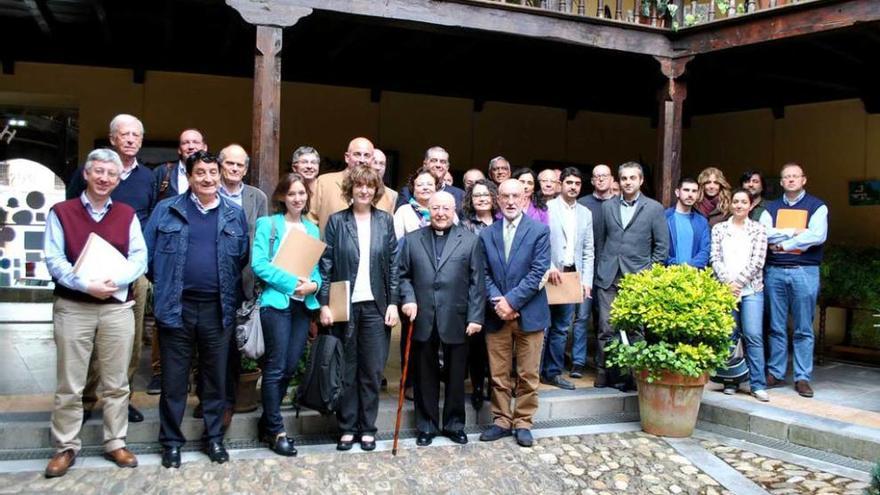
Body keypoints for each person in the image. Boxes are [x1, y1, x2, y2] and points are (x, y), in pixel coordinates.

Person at [43, 148, 146, 478]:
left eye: (111, 174)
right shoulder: (62, 212)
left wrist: (116, 281)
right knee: (70, 384)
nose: (104, 178)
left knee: (117, 383)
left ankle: (115, 441)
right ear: (86, 174)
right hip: (74, 307)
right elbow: (55, 260)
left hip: (117, 308)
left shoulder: (128, 214)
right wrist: (86, 285)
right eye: (98, 172)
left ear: (118, 180)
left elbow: (139, 258)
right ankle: (65, 446)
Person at [144, 150, 249, 468]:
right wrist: (168, 287)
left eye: (212, 173)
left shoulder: (234, 214)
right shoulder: (167, 210)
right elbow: (149, 259)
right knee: (174, 380)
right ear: (189, 177)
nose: (208, 178)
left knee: (215, 379)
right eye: (200, 173)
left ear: (219, 176)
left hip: (218, 309)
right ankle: (172, 442)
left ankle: (214, 438)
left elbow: (240, 256)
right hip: (177, 307)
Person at [68, 114, 153, 424]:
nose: (130, 139)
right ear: (112, 138)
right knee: (88, 337)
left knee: (129, 339)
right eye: (124, 134)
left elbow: (152, 219)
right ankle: (87, 399)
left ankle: (122, 398)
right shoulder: (89, 173)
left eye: (135, 135)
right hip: (91, 269)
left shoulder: (149, 177)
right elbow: (73, 216)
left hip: (132, 271)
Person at [319, 165, 400, 452]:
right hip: (345, 306)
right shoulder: (337, 222)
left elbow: (393, 265)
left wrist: (393, 302)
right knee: (347, 370)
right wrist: (325, 303)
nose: (364, 190)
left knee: (371, 370)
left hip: (376, 307)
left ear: (376, 189)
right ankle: (347, 427)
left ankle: (368, 428)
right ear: (350, 189)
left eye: (369, 186)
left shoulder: (385, 222)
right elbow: (325, 265)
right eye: (359, 186)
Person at [399, 191, 485, 447]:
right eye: (435, 208)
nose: (440, 213)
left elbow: (476, 283)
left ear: (454, 210)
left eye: (446, 208)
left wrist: (476, 316)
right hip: (423, 315)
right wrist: (408, 298)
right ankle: (426, 426)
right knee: (424, 375)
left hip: (457, 318)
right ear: (428, 209)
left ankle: (454, 424)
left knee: (457, 375)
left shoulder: (469, 241)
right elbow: (402, 276)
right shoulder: (413, 240)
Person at [251, 173, 322, 456]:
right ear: (282, 196)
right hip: (276, 304)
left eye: (301, 193)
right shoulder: (268, 225)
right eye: (291, 193)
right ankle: (278, 430)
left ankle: (268, 422)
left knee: (291, 366)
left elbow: (315, 268)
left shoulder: (312, 229)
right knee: (276, 367)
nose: (297, 198)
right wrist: (292, 283)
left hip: (302, 306)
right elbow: (259, 264)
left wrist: (314, 285)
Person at [478, 179, 550, 448]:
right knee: (498, 374)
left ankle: (523, 422)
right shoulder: (487, 234)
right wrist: (500, 303)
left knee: (528, 374)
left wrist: (512, 302)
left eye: (515, 196)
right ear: (498, 200)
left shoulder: (540, 231)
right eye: (504, 196)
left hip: (530, 314)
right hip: (497, 314)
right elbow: (483, 273)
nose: (509, 201)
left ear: (524, 199)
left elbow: (538, 272)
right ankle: (501, 420)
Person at [594, 162, 668, 390]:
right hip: (608, 276)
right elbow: (601, 241)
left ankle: (633, 375)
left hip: (637, 279)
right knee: (606, 328)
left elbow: (662, 247)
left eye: (632, 178)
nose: (628, 182)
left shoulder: (654, 208)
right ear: (619, 180)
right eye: (624, 178)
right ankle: (605, 371)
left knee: (635, 330)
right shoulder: (608, 206)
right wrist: (600, 268)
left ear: (641, 180)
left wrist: (647, 274)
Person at [759, 163, 828, 398]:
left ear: (803, 180)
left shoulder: (817, 207)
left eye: (795, 176)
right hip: (775, 271)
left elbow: (817, 235)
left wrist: (784, 243)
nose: (790, 180)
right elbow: (765, 234)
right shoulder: (771, 207)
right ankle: (776, 373)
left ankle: (802, 377)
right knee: (776, 326)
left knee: (803, 328)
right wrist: (796, 232)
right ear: (781, 182)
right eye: (786, 177)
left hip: (804, 271)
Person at [214, 144, 268, 423]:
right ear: (221, 165)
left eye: (240, 166)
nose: (234, 169)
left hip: (244, 279)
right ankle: (212, 398)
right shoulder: (210, 192)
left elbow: (261, 238)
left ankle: (229, 401)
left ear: (246, 169)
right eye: (230, 164)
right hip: (213, 278)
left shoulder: (256, 197)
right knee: (213, 342)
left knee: (238, 341)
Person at [711, 189, 769, 401]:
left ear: (750, 205)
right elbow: (715, 257)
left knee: (753, 335)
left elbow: (758, 261)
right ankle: (730, 381)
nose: (739, 205)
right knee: (728, 336)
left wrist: (738, 283)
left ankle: (757, 384)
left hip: (751, 290)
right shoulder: (719, 229)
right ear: (730, 204)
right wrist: (728, 283)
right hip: (725, 290)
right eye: (735, 201)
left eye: (744, 202)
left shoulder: (759, 230)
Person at [542, 168, 593, 390]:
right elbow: (539, 242)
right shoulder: (547, 208)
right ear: (560, 184)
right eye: (569, 182)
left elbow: (588, 249)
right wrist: (549, 266)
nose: (573, 187)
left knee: (562, 328)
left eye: (577, 183)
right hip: (548, 273)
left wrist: (586, 280)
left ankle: (553, 372)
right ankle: (533, 373)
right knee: (541, 328)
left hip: (572, 275)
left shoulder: (586, 213)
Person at [573, 164, 616, 378]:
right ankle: (578, 362)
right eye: (596, 176)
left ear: (611, 179)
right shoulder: (582, 205)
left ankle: (604, 365)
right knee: (581, 318)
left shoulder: (618, 206)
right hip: (584, 271)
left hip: (609, 273)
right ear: (591, 181)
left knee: (605, 321)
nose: (600, 180)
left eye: (604, 176)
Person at [461, 178, 497, 410]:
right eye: (477, 196)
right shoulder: (465, 225)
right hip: (473, 291)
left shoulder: (503, 222)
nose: (482, 198)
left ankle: (495, 386)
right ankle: (476, 387)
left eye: (485, 194)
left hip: (498, 291)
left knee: (496, 344)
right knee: (476, 346)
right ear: (470, 201)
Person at [311, 137, 395, 233]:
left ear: (372, 159)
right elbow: (310, 223)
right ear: (347, 157)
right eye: (357, 154)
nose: (362, 160)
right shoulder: (324, 182)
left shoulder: (385, 194)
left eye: (367, 155)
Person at [395, 146, 465, 210]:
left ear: (447, 167)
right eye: (434, 161)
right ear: (425, 164)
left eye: (443, 162)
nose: (438, 165)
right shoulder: (407, 192)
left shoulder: (460, 195)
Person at [665, 177, 711, 269]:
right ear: (677, 192)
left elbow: (705, 250)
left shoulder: (702, 222)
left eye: (694, 191)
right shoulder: (664, 217)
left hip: (695, 276)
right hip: (667, 275)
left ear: (698, 194)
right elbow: (659, 249)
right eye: (686, 190)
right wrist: (676, 267)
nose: (690, 194)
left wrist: (690, 268)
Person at [154, 129, 207, 202]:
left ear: (205, 148)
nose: (191, 147)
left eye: (196, 142)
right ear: (179, 149)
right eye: (185, 143)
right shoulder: (163, 171)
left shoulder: (214, 172)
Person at [394, 168, 436, 240]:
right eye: (420, 185)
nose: (425, 188)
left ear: (436, 188)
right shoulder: (403, 211)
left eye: (430, 184)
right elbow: (396, 242)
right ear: (413, 189)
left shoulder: (445, 209)